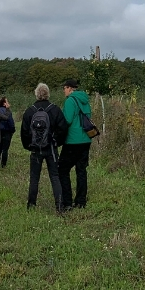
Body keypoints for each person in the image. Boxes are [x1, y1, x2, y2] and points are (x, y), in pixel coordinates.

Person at [20, 83, 68, 211]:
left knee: (34, 177)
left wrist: (28, 146)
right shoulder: (55, 109)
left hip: (36, 149)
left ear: (36, 94)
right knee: (55, 176)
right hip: (51, 148)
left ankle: (31, 205)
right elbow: (63, 129)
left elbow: (24, 131)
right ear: (48, 93)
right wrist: (57, 142)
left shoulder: (30, 111)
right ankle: (59, 205)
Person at [59, 78, 94, 210]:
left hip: (73, 141)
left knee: (62, 169)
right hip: (86, 139)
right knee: (81, 170)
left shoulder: (70, 101)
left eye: (64, 88)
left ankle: (67, 202)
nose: (64, 90)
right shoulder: (85, 100)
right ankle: (81, 201)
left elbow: (66, 120)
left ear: (69, 88)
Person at [0, 97, 16, 168]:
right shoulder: (8, 112)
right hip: (7, 131)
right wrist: (12, 130)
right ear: (4, 103)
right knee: (5, 149)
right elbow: (10, 122)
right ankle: (3, 164)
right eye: (7, 102)